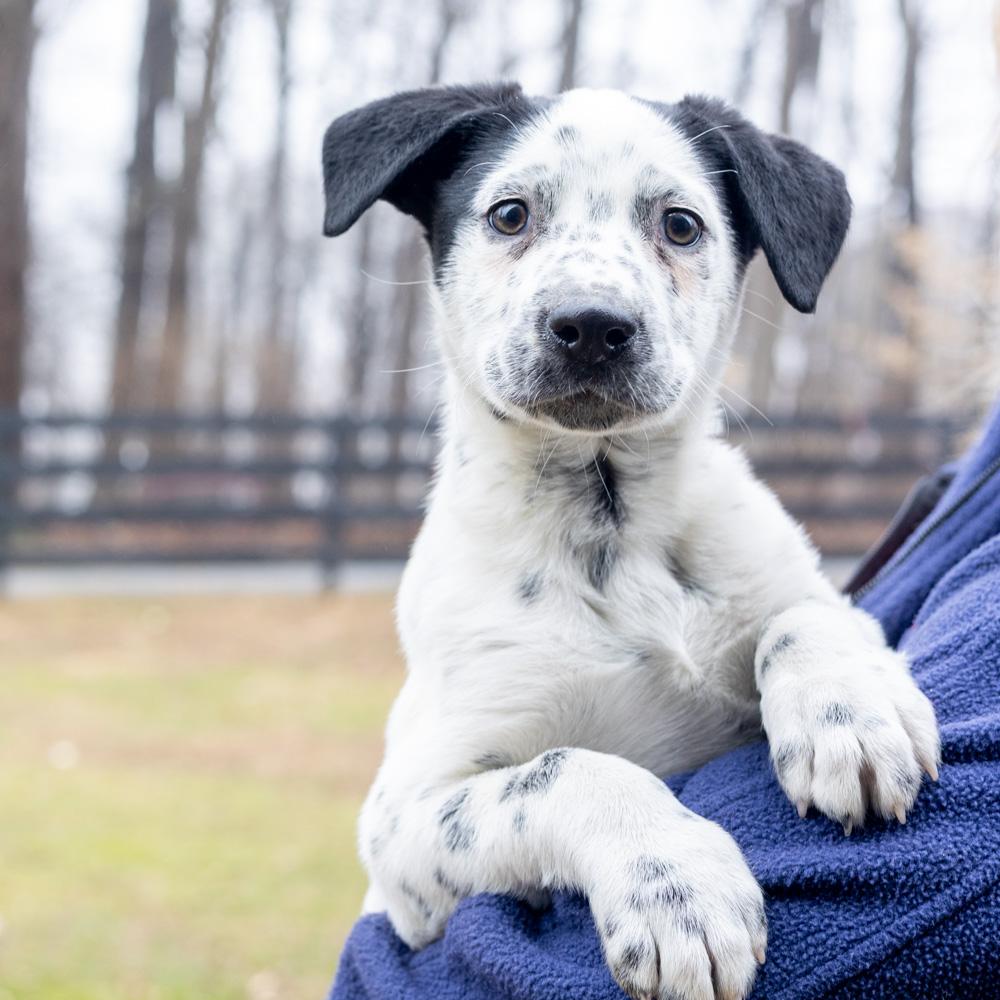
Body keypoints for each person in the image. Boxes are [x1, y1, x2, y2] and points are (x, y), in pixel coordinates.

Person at [331, 400, 1000, 1000]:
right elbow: (400, 850)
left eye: (678, 250)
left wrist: (811, 646)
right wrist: (593, 809)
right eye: (512, 249)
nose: (599, 315)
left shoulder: (746, 534)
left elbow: (842, 630)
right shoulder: (466, 581)